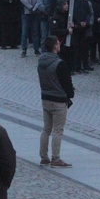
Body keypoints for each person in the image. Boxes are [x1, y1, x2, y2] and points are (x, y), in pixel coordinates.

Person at [37, 35, 75, 168]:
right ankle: (56, 158)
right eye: (58, 43)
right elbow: (66, 83)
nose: (60, 45)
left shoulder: (41, 62)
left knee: (46, 129)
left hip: (45, 98)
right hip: (58, 100)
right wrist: (70, 94)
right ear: (54, 46)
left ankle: (44, 156)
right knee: (58, 130)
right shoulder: (59, 64)